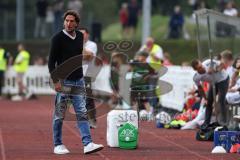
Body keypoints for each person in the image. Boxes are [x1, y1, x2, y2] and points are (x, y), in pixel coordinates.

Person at [48, 10, 103, 155]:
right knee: (60, 114)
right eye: (66, 20)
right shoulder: (57, 38)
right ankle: (58, 144)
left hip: (79, 80)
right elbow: (50, 62)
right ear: (64, 22)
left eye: (72, 21)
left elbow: (79, 55)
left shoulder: (79, 36)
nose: (69, 23)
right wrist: (56, 81)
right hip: (63, 81)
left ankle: (87, 143)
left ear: (76, 23)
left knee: (82, 113)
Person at [191, 58, 229, 127]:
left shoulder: (208, 62)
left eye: (201, 65)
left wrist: (215, 70)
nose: (202, 68)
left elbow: (222, 64)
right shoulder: (196, 77)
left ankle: (224, 122)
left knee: (221, 100)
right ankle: (206, 123)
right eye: (199, 68)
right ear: (196, 70)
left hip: (223, 79)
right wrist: (205, 98)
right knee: (209, 102)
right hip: (214, 83)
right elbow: (200, 88)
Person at [79, 27, 98, 129]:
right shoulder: (75, 44)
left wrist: (81, 46)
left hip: (88, 74)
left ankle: (92, 120)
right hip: (77, 73)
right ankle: (83, 121)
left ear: (87, 35)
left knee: (88, 98)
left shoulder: (92, 45)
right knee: (78, 98)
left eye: (83, 34)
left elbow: (88, 56)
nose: (81, 36)